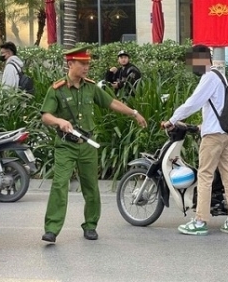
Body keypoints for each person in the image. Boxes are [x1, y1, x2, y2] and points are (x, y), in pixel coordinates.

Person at [40, 46, 147, 243]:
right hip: (65, 145)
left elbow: (111, 102)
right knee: (60, 184)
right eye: (82, 64)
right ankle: (52, 229)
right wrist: (59, 122)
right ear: (70, 64)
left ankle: (90, 225)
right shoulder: (57, 89)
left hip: (87, 144)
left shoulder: (91, 87)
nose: (86, 67)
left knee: (91, 187)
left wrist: (133, 113)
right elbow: (46, 116)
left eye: (88, 64)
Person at [161, 44, 228, 236]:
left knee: (205, 175)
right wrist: (201, 125)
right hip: (227, 133)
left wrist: (172, 120)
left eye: (193, 61)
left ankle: (200, 220)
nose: (192, 65)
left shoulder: (208, 77)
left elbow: (193, 103)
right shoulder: (220, 75)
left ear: (201, 59)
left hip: (214, 136)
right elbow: (217, 106)